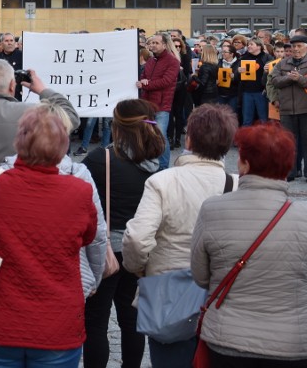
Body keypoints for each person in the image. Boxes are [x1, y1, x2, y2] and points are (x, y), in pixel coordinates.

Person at [0, 106, 102, 368]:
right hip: (57, 323)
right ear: (63, 144)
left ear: (20, 141)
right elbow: (89, 237)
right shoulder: (79, 191)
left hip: (0, 320)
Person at [191, 123, 307, 367]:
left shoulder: (212, 209)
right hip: (294, 342)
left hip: (229, 339)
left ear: (245, 164)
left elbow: (201, 276)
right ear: (287, 165)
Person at [122, 103, 239, 368]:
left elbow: (138, 239)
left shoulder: (163, 181)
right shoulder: (237, 184)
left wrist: (140, 269)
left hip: (168, 294)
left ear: (188, 139)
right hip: (222, 295)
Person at [82, 99, 164, 368]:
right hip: (140, 250)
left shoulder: (99, 159)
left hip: (105, 251)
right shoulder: (158, 162)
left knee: (96, 321)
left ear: (117, 126)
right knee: (131, 320)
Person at [0, 59, 78, 200]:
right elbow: (72, 119)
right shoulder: (30, 112)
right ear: (12, 85)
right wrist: (43, 90)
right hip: (17, 195)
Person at [267, 35, 307, 183]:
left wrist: (300, 79)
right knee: (288, 142)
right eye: (293, 46)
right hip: (287, 108)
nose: (296, 49)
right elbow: (274, 80)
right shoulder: (283, 63)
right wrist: (289, 78)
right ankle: (290, 172)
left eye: (299, 46)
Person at [135, 33, 180, 170]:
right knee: (148, 135)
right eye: (151, 43)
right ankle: (151, 163)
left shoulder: (173, 61)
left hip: (161, 106)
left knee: (161, 137)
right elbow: (143, 76)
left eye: (156, 43)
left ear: (164, 45)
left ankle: (164, 166)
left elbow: (166, 81)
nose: (152, 45)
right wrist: (143, 81)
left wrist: (146, 84)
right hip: (147, 104)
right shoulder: (151, 61)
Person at [238, 38, 271, 126]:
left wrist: (267, 71)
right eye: (248, 44)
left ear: (259, 46)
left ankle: (264, 138)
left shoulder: (267, 57)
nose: (248, 46)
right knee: (247, 120)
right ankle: (246, 139)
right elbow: (236, 75)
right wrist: (238, 71)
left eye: (251, 44)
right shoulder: (244, 57)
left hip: (261, 92)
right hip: (247, 92)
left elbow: (272, 75)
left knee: (263, 119)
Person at [0, 32, 23, 99]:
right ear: (1, 43)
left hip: (18, 94)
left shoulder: (22, 56)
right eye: (6, 41)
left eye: (11, 40)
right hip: (1, 94)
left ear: (15, 42)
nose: (9, 43)